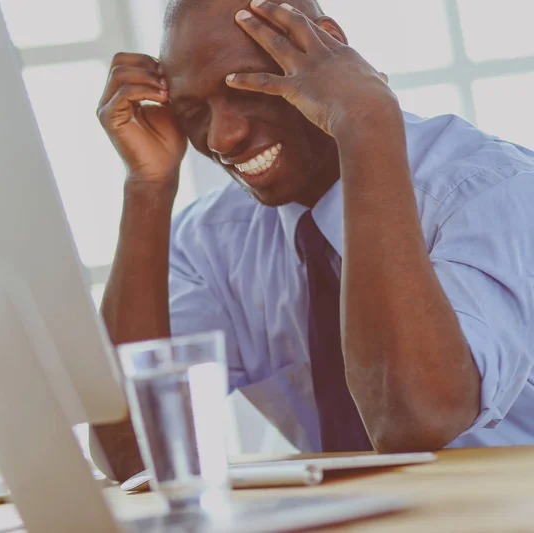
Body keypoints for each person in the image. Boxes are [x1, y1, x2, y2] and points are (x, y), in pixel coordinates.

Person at [90, 0, 534, 482]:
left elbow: (413, 422)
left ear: (328, 48)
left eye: (248, 89)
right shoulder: (211, 243)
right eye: (193, 110)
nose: (222, 136)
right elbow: (130, 457)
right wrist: (147, 190)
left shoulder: (488, 193)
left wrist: (364, 118)